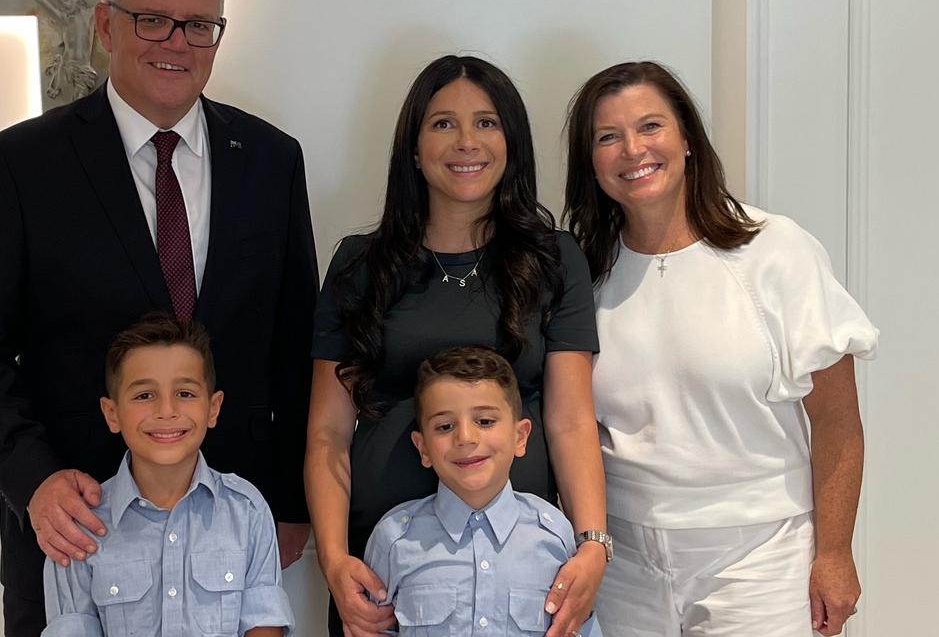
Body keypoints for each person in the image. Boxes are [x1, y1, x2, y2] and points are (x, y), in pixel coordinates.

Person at [0, 0, 317, 637]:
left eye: (199, 25)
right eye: (152, 19)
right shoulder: (24, 164)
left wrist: (292, 501)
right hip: (75, 533)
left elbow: (295, 344)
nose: (176, 41)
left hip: (229, 543)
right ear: (106, 26)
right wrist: (34, 481)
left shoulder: (271, 160)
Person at [563, 61, 878, 637]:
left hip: (761, 560)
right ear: (591, 162)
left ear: (687, 140)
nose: (633, 149)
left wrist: (835, 553)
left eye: (651, 127)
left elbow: (838, 421)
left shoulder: (774, 250)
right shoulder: (582, 272)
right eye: (608, 137)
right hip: (623, 562)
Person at [306, 54, 609, 637]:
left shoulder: (553, 259)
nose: (466, 141)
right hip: (382, 574)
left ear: (512, 143)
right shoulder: (359, 264)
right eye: (443, 123)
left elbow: (572, 420)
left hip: (522, 572)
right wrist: (334, 558)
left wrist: (592, 542)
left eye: (487, 123)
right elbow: (327, 432)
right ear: (414, 147)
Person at [42, 315, 294, 636]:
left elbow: (263, 624)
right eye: (144, 395)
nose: (166, 410)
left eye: (185, 393)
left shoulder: (246, 510)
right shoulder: (81, 526)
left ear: (213, 408)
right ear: (112, 413)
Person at [365, 346, 601, 636]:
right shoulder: (393, 539)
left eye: (485, 421)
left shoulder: (554, 535)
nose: (465, 437)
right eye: (445, 426)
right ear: (423, 448)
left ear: (520, 437)